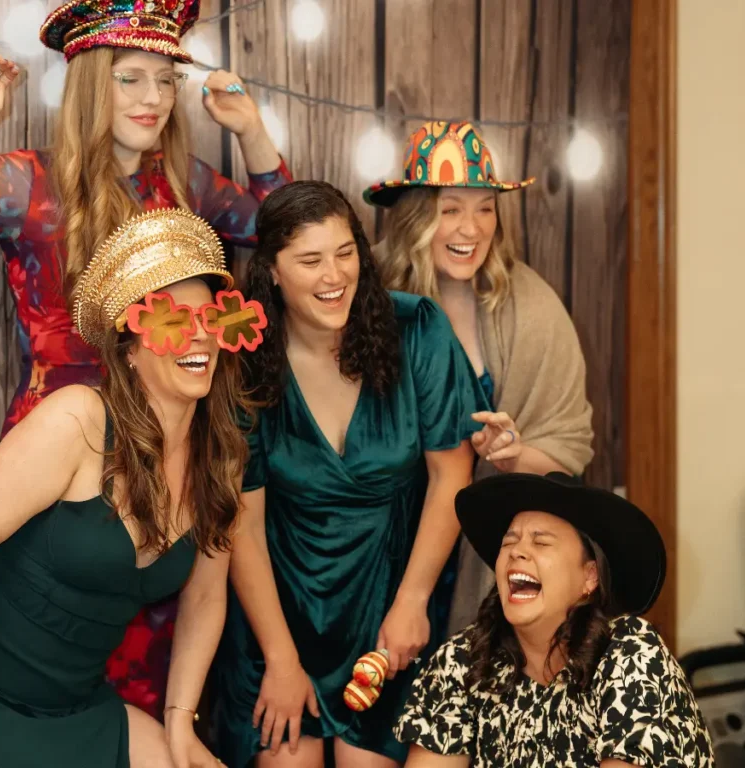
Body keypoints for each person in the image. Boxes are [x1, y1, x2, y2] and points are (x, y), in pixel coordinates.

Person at [0, 0, 290, 718]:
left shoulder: (187, 188)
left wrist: (255, 135)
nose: (153, 99)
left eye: (165, 81)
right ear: (88, 83)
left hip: (167, 465)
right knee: (37, 678)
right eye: (130, 78)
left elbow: (292, 233)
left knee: (142, 698)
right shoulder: (23, 183)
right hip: (64, 465)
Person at [0, 208, 266, 768]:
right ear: (130, 345)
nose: (199, 334)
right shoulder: (77, 419)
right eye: (174, 320)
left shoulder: (220, 456)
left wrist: (180, 725)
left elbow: (204, 595)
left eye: (213, 317)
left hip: (72, 705)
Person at [212, 181, 488, 768]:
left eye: (345, 252)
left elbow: (452, 474)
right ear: (273, 272)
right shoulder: (244, 360)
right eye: (310, 260)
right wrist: (281, 658)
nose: (333, 274)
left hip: (390, 607)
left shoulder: (417, 329)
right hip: (280, 612)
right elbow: (244, 524)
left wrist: (412, 600)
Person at [364, 120, 594, 632]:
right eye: (450, 210)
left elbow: (568, 450)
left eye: (485, 208)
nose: (472, 228)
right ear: (416, 218)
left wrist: (515, 456)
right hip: (382, 551)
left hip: (487, 558)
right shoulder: (367, 295)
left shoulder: (532, 308)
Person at [395, 472, 715, 768]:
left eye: (541, 542)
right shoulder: (462, 659)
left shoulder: (630, 652)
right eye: (509, 542)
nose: (516, 552)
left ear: (589, 577)